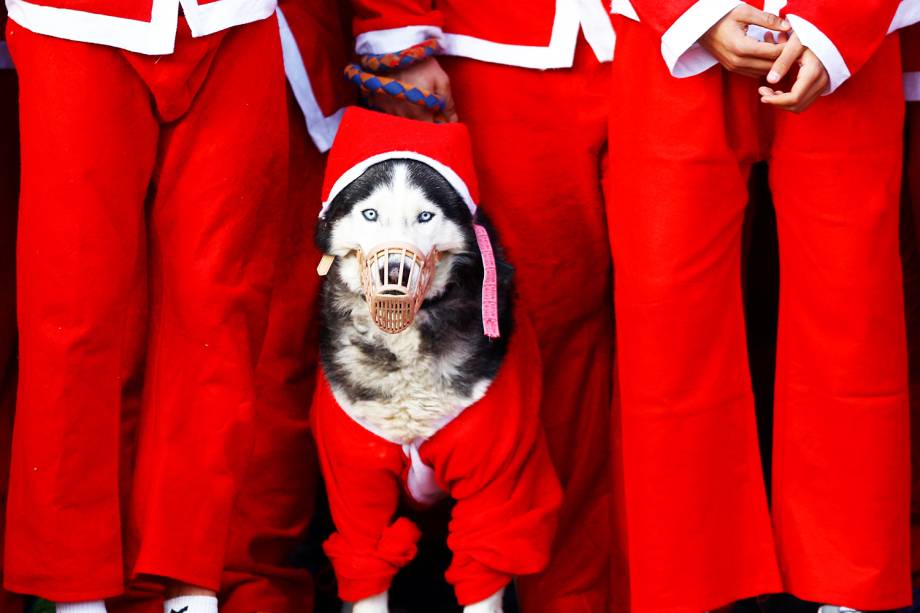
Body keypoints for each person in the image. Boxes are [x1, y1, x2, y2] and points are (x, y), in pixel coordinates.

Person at [607, 1, 914, 612]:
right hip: (664, 38)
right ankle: (684, 585)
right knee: (666, 312)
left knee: (851, 303)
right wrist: (690, 11)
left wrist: (843, 25)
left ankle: (850, 583)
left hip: (847, 27)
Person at [3, 0, 290, 611]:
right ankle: (73, 591)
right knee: (71, 307)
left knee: (221, 306)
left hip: (236, 19)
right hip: (75, 18)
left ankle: (192, 584)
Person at [344, 3, 617, 611]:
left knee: (675, 344)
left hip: (678, 51)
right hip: (503, 47)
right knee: (541, 335)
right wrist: (399, 27)